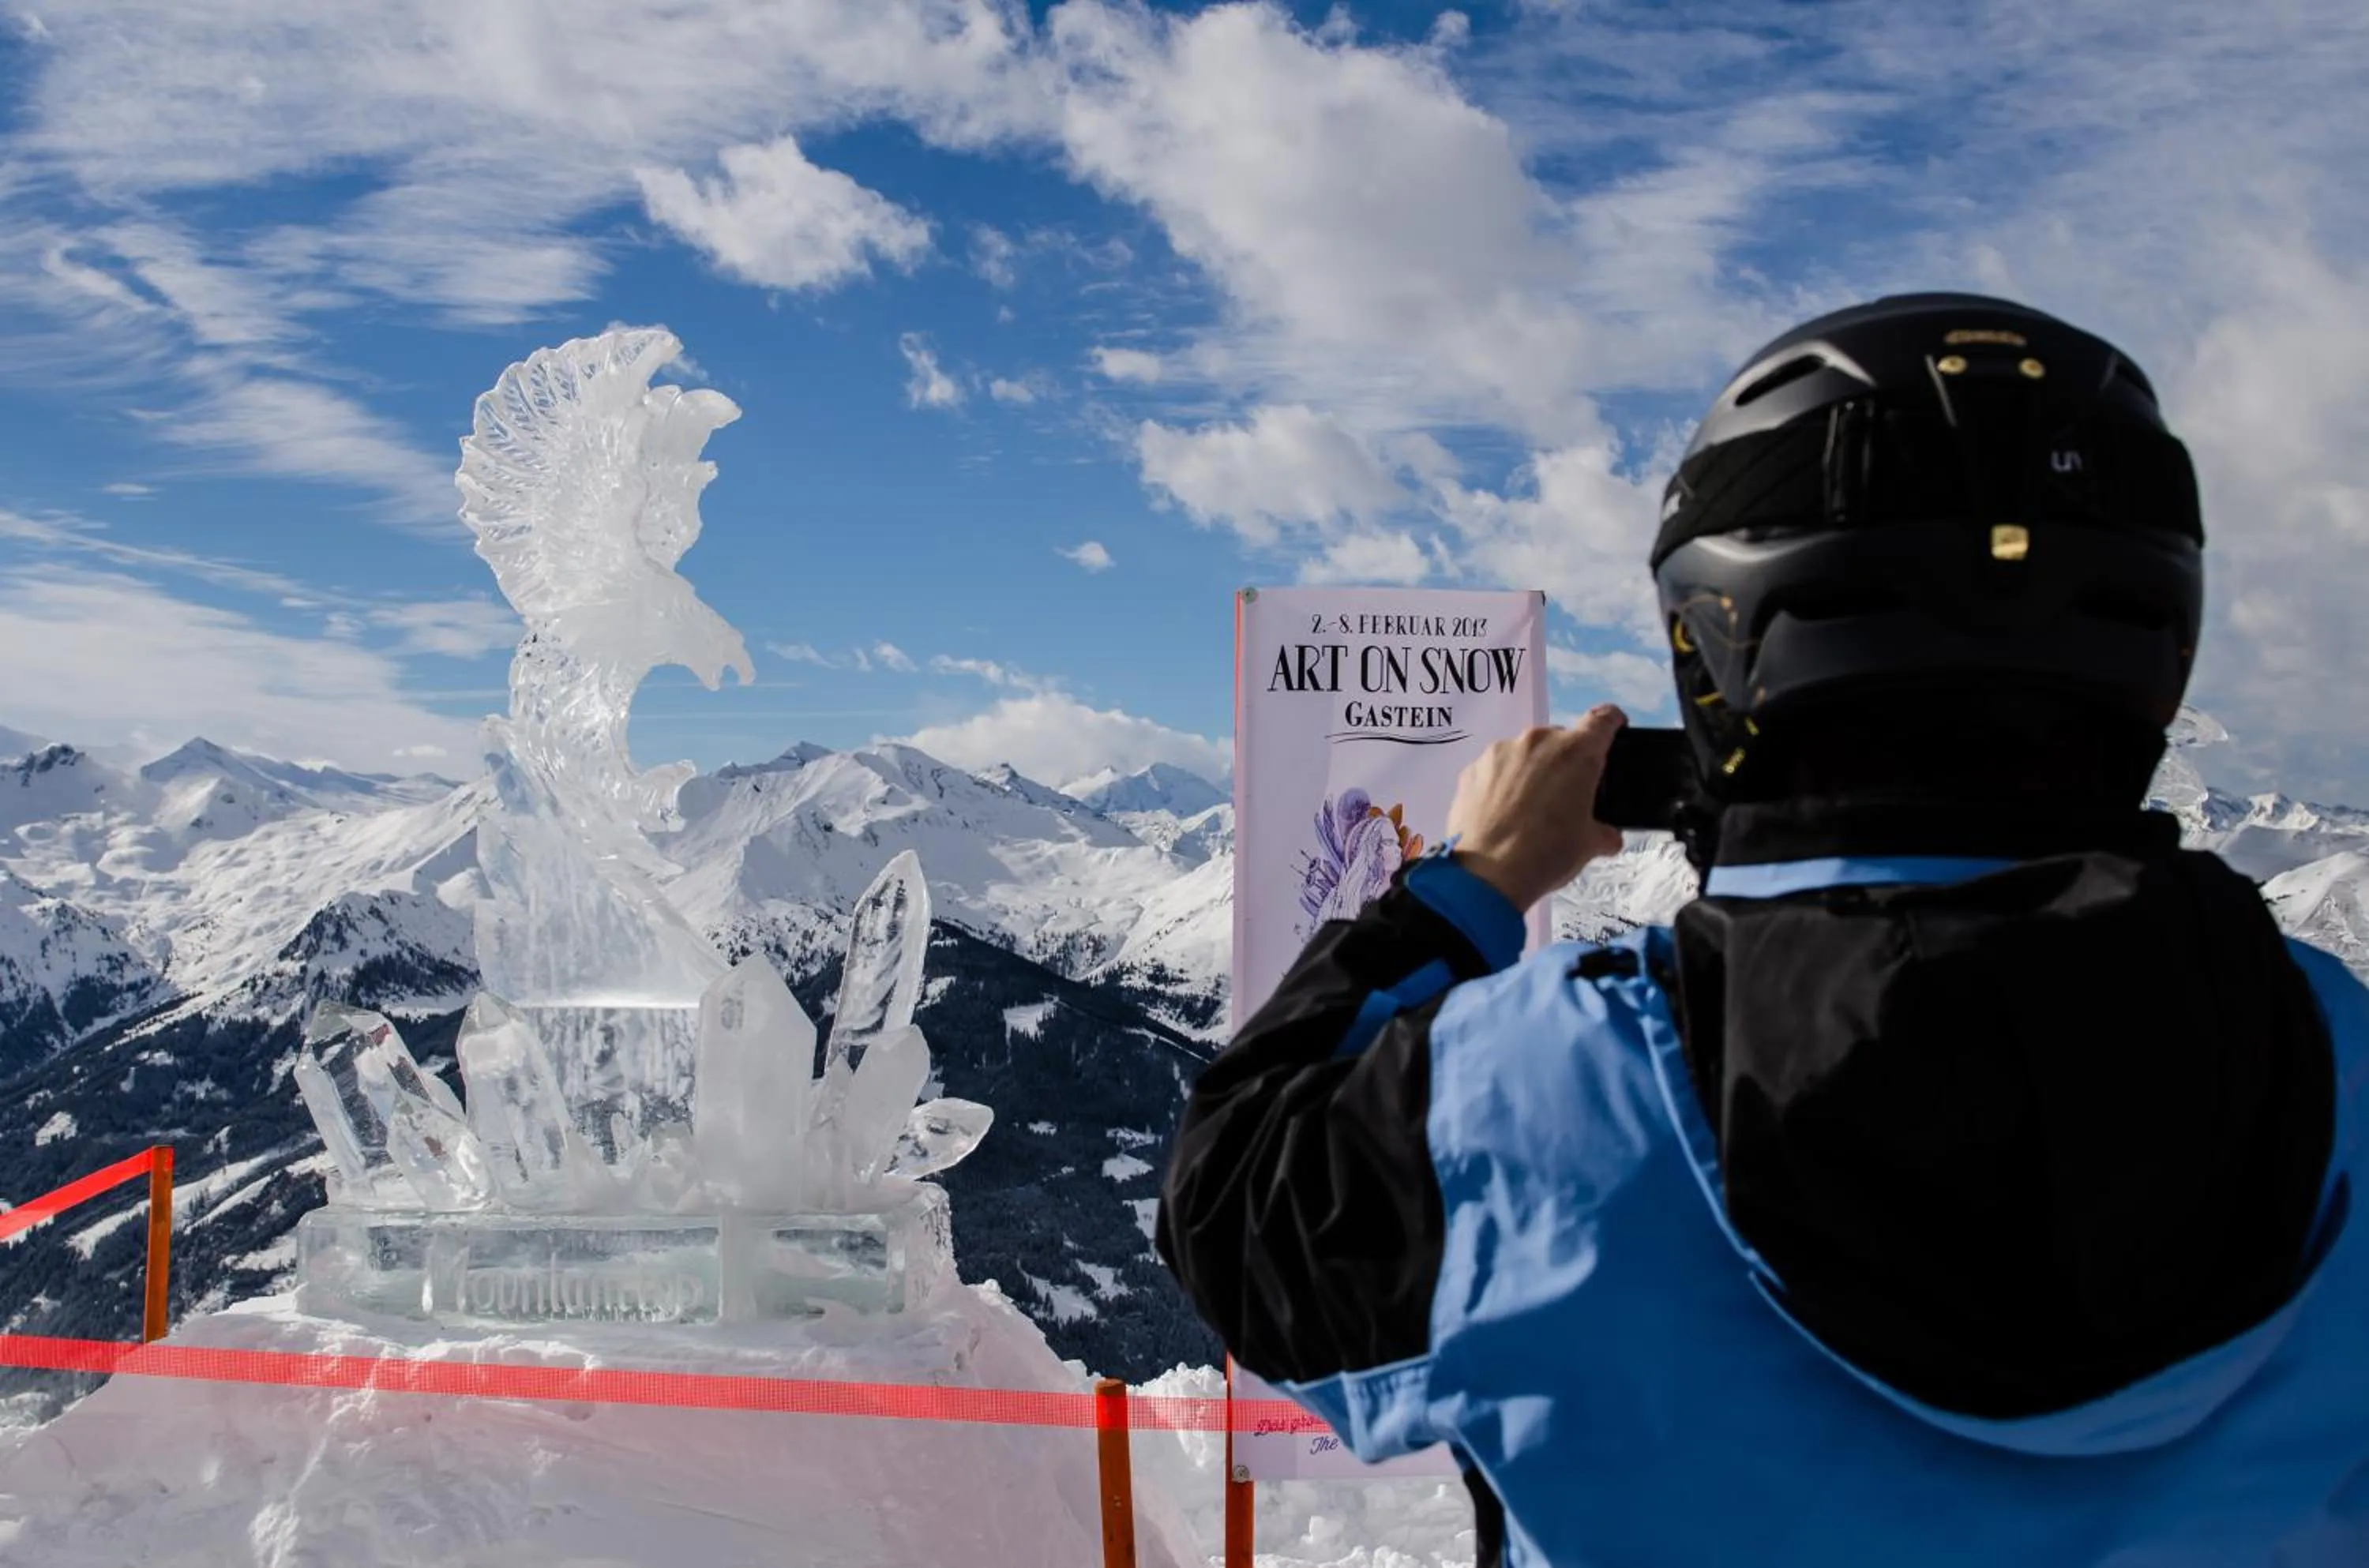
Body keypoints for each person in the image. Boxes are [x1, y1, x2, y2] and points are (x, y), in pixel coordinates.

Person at [1156, 293, 2369, 1568]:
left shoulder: (1542, 1091)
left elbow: (1231, 1197)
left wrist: (1471, 880)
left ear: (1716, 644)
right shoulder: (2341, 1055)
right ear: (2158, 643)